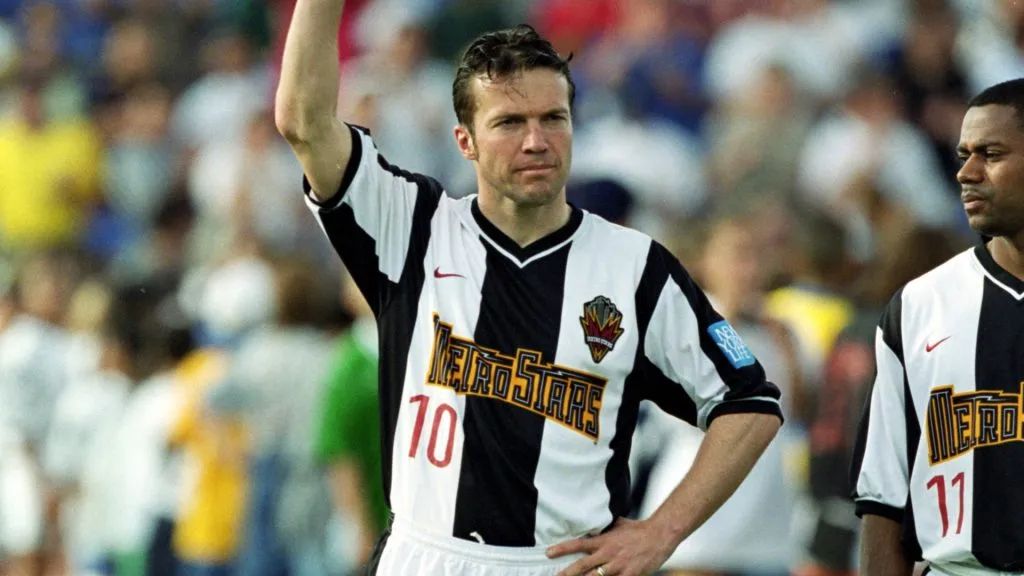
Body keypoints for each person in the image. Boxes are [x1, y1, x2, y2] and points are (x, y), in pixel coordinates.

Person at [275, 4, 782, 574]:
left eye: (553, 118)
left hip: (560, 564)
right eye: (510, 123)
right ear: (464, 141)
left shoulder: (635, 266)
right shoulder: (413, 227)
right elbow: (303, 121)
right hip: (430, 556)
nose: (537, 140)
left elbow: (749, 403)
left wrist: (662, 532)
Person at [851, 78, 1024, 576]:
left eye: (990, 154)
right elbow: (882, 500)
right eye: (963, 154)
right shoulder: (918, 305)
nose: (966, 173)